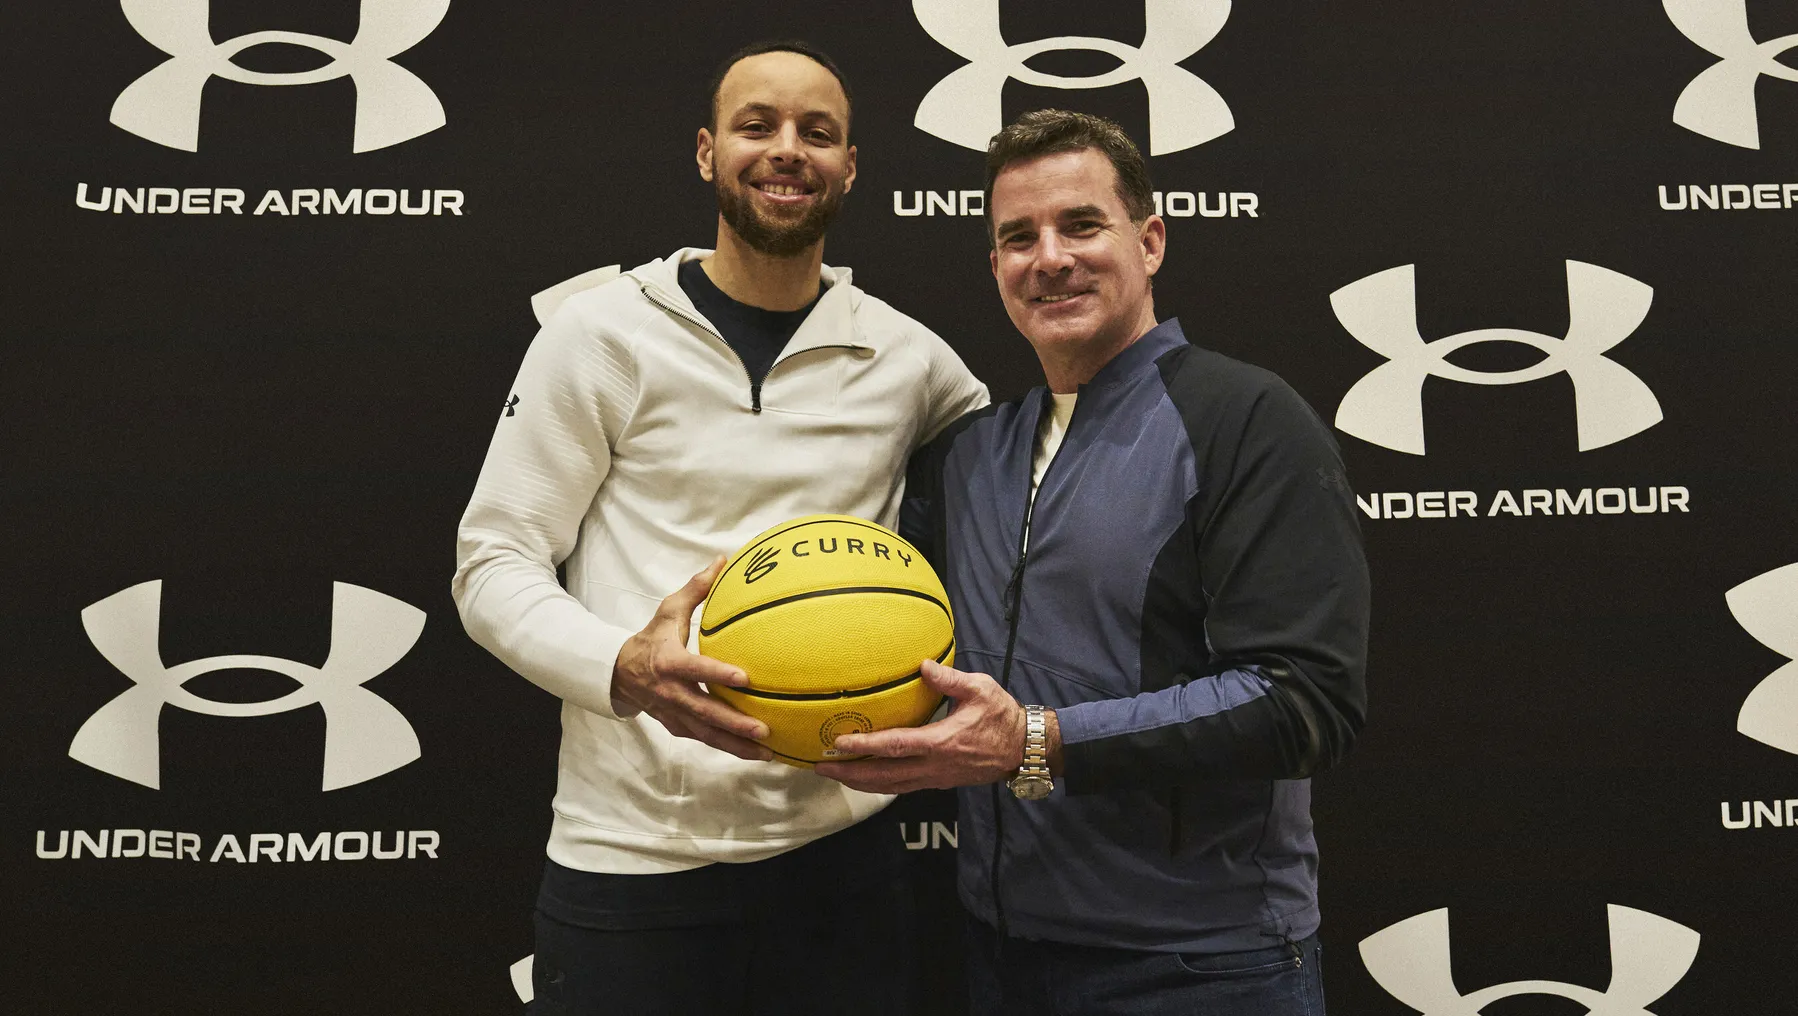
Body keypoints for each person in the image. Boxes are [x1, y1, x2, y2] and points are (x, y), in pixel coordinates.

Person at [452, 40, 987, 1016]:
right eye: (757, 126)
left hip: (841, 863)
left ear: (850, 168)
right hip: (630, 862)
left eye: (816, 133)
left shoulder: (910, 359)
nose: (787, 150)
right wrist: (625, 664)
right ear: (706, 153)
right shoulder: (601, 331)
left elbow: (1019, 511)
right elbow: (494, 559)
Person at [815, 109, 1370, 1015]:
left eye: (1082, 225)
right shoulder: (969, 454)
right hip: (1000, 953)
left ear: (1149, 241)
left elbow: (1304, 699)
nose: (1050, 257)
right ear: (995, 268)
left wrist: (1035, 741)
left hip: (1201, 967)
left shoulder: (1246, 420)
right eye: (1017, 237)